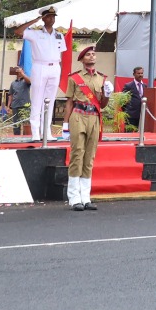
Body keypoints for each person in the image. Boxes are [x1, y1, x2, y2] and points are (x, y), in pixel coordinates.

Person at [61, 45, 112, 211]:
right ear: (82, 59)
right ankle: (74, 198)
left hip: (94, 117)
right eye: (88, 55)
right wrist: (65, 124)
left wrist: (107, 95)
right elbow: (69, 101)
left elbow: (102, 105)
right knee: (77, 154)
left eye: (93, 54)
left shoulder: (102, 79)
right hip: (78, 115)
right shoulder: (74, 78)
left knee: (89, 157)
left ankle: (86, 197)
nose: (91, 56)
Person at [12, 8, 64, 141]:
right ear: (43, 18)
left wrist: (60, 71)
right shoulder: (35, 33)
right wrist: (34, 21)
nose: (51, 19)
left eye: (53, 16)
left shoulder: (59, 35)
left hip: (55, 67)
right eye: (48, 16)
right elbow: (18, 31)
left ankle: (46, 131)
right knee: (37, 100)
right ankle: (35, 132)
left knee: (50, 100)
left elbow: (61, 55)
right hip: (40, 66)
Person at [7, 64, 32, 133]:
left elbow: (29, 81)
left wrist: (22, 73)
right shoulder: (13, 83)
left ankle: (26, 138)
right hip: (15, 105)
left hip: (25, 105)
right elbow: (10, 95)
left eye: (20, 70)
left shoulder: (25, 81)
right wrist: (8, 106)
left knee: (26, 123)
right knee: (16, 124)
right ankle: (16, 138)